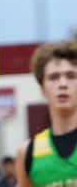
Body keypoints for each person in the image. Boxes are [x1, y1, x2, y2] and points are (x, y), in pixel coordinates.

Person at [15, 40, 77, 187]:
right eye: (53, 77)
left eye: (71, 76)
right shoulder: (27, 153)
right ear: (42, 89)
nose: (63, 84)